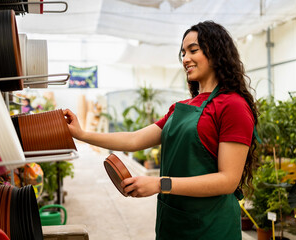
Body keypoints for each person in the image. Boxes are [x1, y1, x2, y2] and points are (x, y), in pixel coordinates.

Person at [63, 20, 258, 239]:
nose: (185, 59)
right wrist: (81, 134)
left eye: (193, 50)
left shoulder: (233, 106)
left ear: (217, 52)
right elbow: (134, 139)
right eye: (182, 53)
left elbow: (227, 180)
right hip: (173, 221)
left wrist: (160, 183)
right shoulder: (181, 108)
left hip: (210, 226)